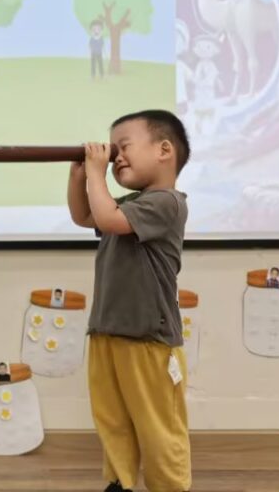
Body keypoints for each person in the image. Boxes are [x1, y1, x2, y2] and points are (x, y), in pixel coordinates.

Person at [67, 109, 192, 492]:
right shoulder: (131, 203)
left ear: (164, 150)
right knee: (113, 419)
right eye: (112, 150)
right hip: (108, 330)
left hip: (148, 339)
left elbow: (107, 219)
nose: (115, 157)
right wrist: (79, 176)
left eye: (124, 147)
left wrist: (95, 173)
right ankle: (119, 481)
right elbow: (83, 215)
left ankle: (169, 486)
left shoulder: (167, 203)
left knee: (157, 426)